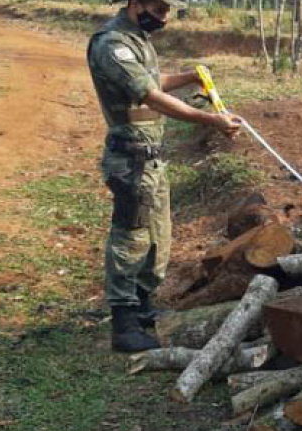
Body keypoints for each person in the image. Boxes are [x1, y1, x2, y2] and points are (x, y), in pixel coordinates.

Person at [87, 0, 240, 352]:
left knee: (158, 237)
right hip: (130, 161)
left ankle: (142, 307)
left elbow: (155, 81)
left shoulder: (139, 39)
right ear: (135, 3)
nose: (165, 17)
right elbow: (150, 95)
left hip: (151, 160)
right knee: (132, 238)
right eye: (158, 8)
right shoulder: (112, 45)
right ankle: (124, 324)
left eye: (169, 9)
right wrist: (211, 121)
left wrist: (190, 77)